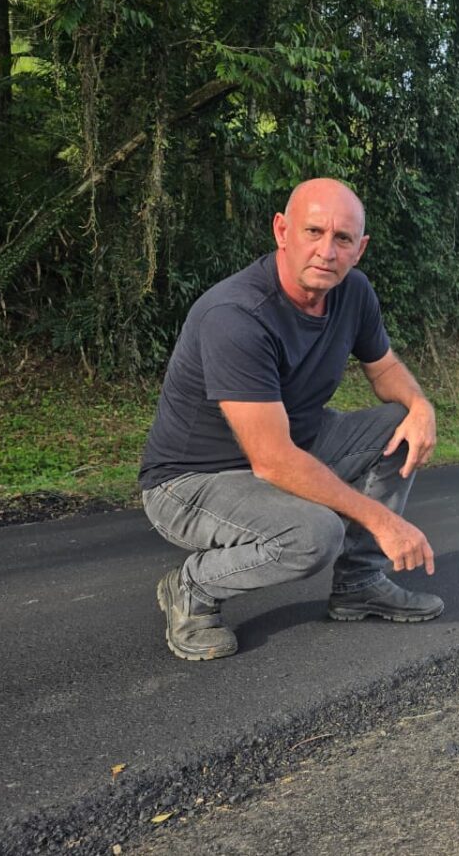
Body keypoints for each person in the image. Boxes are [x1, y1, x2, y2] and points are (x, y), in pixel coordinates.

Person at [139, 178, 442, 661]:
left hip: (293, 446)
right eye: (313, 232)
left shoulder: (353, 293)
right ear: (282, 231)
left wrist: (421, 407)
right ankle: (192, 587)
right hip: (193, 481)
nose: (326, 251)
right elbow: (273, 461)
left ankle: (359, 583)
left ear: (359, 249)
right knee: (315, 534)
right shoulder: (235, 315)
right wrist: (382, 520)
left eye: (342, 239)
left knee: (399, 426)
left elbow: (384, 368)